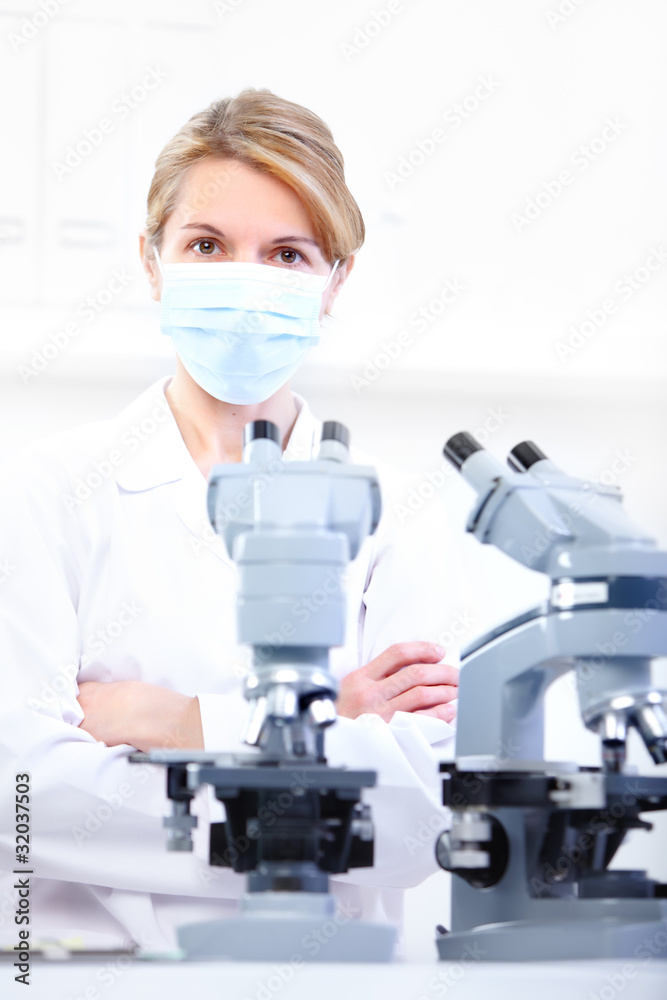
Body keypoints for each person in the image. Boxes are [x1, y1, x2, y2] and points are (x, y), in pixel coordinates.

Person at [0, 89, 464, 958]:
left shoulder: (396, 516)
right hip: (95, 975)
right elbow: (20, 796)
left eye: (287, 254)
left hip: (328, 976)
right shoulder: (47, 492)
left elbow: (413, 822)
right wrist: (313, 737)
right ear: (152, 262)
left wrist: (177, 724)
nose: (246, 282)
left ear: (335, 281)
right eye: (207, 246)